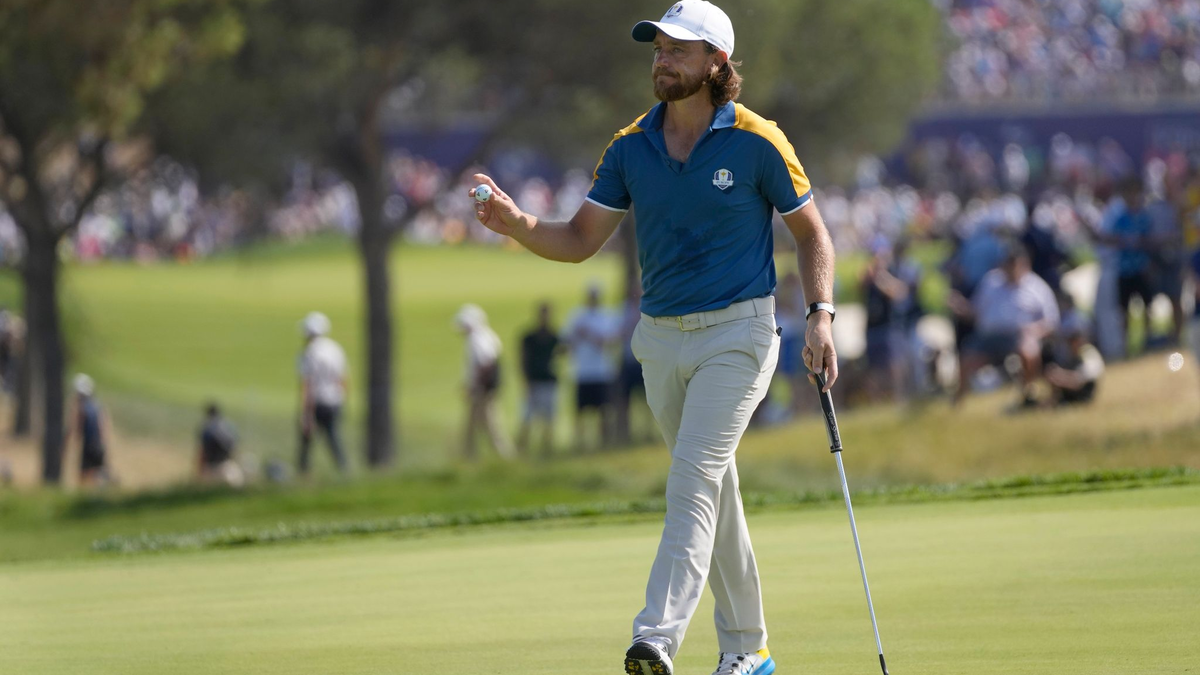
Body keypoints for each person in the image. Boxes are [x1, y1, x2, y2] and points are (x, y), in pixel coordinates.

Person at [467, 2, 838, 673]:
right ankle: (748, 651)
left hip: (740, 333)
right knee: (712, 487)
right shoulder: (630, 145)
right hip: (660, 340)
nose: (662, 60)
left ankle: (655, 638)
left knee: (692, 476)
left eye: (678, 50)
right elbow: (581, 239)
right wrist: (520, 224)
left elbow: (813, 234)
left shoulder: (758, 139)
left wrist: (820, 313)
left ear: (716, 64)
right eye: (659, 48)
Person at [950, 242, 1059, 408]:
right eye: (1008, 264)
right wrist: (960, 306)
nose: (1012, 269)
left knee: (1028, 350)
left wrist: (1034, 330)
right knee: (966, 356)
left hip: (1020, 336)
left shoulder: (1037, 287)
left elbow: (1051, 321)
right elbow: (975, 311)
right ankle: (959, 401)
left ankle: (1028, 394)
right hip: (989, 338)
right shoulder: (991, 282)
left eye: (1015, 264)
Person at [562, 284, 618, 452]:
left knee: (604, 411)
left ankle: (604, 444)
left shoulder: (607, 316)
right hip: (582, 371)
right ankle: (580, 444)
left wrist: (589, 334)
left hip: (602, 371)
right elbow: (566, 343)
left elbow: (611, 342)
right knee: (580, 412)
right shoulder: (576, 315)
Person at [455, 304, 514, 460]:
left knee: (491, 425)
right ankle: (469, 454)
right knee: (472, 425)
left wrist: (475, 387)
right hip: (484, 388)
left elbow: (485, 364)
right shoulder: (486, 336)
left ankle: (503, 456)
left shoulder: (477, 339)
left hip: (482, 390)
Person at [296, 311, 349, 476]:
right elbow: (343, 379)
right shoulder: (335, 349)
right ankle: (344, 470)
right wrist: (342, 400)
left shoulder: (308, 353)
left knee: (307, 440)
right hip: (335, 401)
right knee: (333, 438)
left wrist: (306, 412)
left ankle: (303, 473)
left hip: (317, 402)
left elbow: (307, 384)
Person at [517, 302, 562, 457]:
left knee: (549, 419)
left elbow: (563, 352)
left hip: (549, 381)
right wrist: (525, 381)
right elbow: (522, 360)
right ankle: (522, 450)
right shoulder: (529, 337)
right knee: (527, 418)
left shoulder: (554, 336)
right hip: (533, 382)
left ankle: (547, 449)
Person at [66, 374, 113, 487]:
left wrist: (69, 443)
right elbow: (104, 427)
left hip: (88, 445)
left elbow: (77, 428)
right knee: (96, 474)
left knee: (84, 476)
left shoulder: (82, 407)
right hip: (99, 445)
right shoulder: (98, 405)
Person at [1043, 326, 1105, 407]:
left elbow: (1079, 381)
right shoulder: (1072, 353)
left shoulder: (1089, 354)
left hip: (1084, 393)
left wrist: (1060, 376)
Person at [197, 402, 245, 487]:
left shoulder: (207, 429)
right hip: (228, 465)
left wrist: (200, 472)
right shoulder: (228, 425)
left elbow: (203, 451)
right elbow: (235, 446)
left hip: (213, 467)